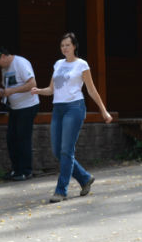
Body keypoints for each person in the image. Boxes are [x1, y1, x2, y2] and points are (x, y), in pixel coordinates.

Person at [31, 32, 112, 203]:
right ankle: (85, 178)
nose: (64, 48)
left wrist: (103, 110)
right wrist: (39, 91)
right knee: (57, 150)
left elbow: (91, 90)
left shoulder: (82, 64)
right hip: (58, 109)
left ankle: (61, 191)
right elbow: (52, 89)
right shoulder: (58, 64)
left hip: (74, 108)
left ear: (74, 46)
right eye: (62, 45)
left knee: (66, 150)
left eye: (68, 45)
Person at [0, 46, 39, 181]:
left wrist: (12, 92)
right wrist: (2, 92)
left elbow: (32, 84)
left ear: (3, 56)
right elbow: (8, 87)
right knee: (11, 138)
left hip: (28, 106)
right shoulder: (4, 69)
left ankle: (26, 171)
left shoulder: (20, 63)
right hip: (14, 108)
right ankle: (16, 170)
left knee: (23, 138)